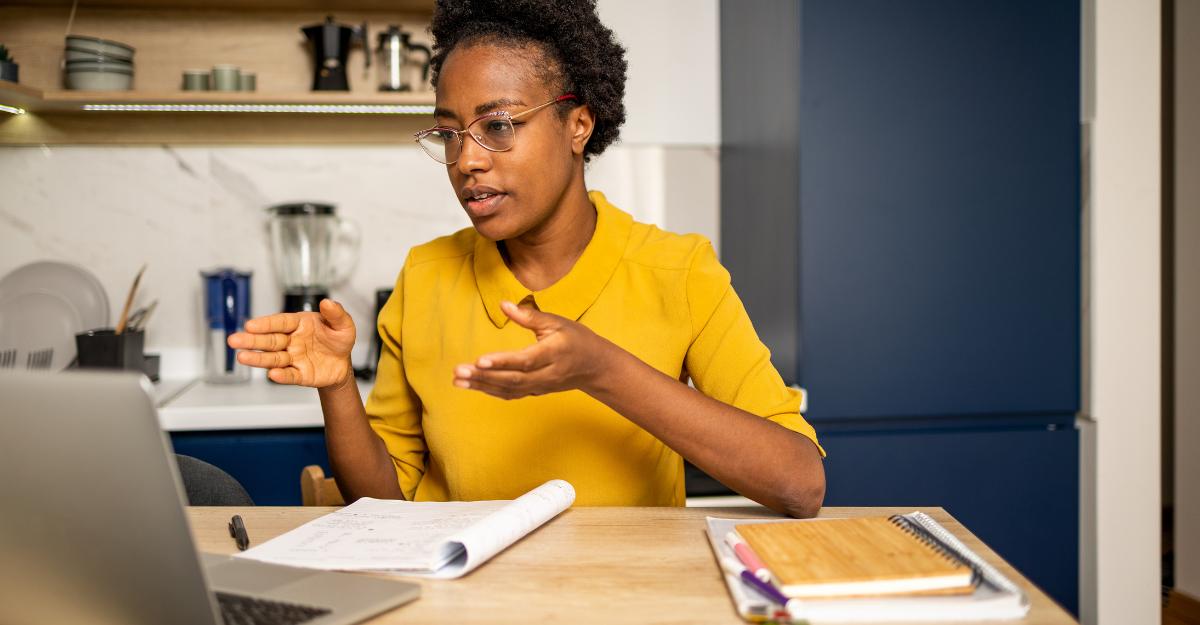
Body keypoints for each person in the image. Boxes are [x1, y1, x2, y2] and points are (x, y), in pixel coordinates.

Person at [229, 0, 825, 517]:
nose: (467, 160)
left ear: (578, 125)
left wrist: (602, 370)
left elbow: (800, 484)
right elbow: (386, 507)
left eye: (498, 125)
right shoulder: (427, 275)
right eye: (451, 134)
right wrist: (337, 388)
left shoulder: (679, 271)